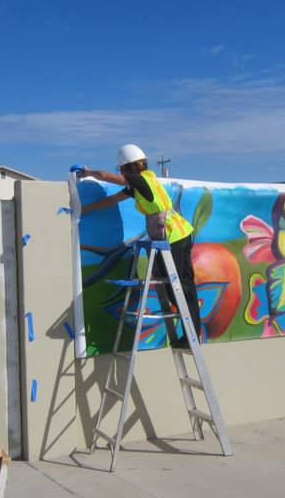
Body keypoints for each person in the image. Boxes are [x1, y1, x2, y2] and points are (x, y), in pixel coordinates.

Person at [78, 144, 202, 347]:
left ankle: (192, 336)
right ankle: (189, 334)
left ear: (126, 167)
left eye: (122, 170)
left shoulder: (141, 179)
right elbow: (113, 199)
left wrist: (88, 172)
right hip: (169, 237)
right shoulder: (143, 183)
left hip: (175, 236)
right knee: (174, 286)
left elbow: (106, 176)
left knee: (182, 286)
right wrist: (86, 209)